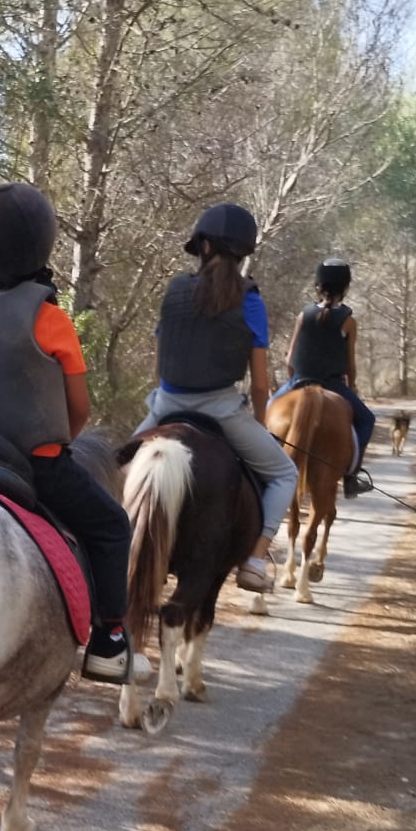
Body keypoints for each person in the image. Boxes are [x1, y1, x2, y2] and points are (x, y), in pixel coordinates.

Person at [0, 182, 140, 683]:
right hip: (35, 467)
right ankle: (109, 641)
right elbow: (77, 408)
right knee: (112, 525)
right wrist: (55, 440)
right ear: (40, 246)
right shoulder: (48, 317)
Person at [134, 203, 299, 594]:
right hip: (222, 409)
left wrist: (166, 399)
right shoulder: (250, 300)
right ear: (243, 253)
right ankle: (255, 561)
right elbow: (260, 383)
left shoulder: (175, 291)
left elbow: (159, 363)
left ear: (204, 246)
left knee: (114, 468)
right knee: (284, 474)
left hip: (166, 404)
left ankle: (112, 553)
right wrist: (260, 423)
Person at [276, 258, 375, 497]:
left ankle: (260, 472)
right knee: (367, 420)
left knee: (268, 410)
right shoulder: (348, 322)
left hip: (298, 380)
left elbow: (290, 359)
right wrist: (352, 386)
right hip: (332, 384)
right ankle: (351, 477)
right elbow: (350, 365)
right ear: (345, 287)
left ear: (318, 286)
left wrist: (293, 382)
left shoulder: (303, 315)